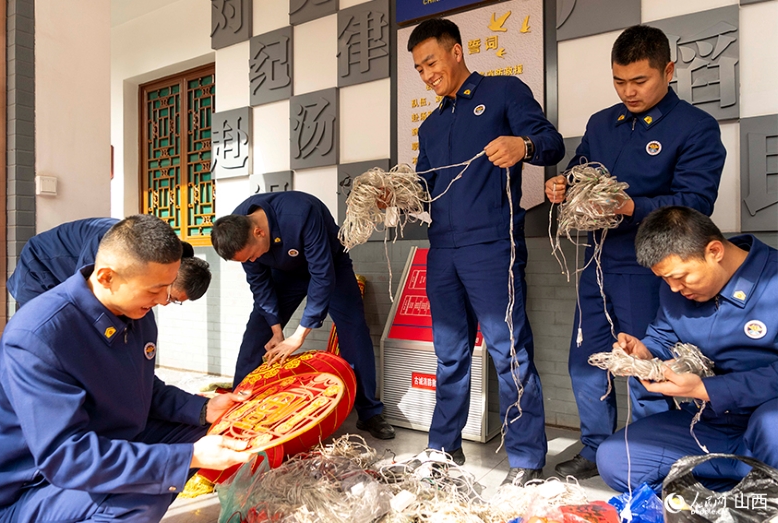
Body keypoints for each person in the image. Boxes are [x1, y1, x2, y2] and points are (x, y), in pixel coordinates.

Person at [0, 214, 252, 523]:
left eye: (167, 288)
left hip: (103, 442)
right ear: (107, 277)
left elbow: (142, 387)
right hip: (33, 487)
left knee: (213, 433)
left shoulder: (136, 312)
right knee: (140, 497)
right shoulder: (37, 337)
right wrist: (189, 456)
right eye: (154, 290)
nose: (163, 300)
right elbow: (68, 458)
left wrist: (206, 409)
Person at [545, 25, 726, 480]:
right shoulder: (601, 123)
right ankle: (594, 447)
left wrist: (631, 207)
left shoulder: (695, 128)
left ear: (668, 70)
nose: (629, 91)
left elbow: (696, 203)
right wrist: (562, 184)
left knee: (646, 363)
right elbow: (580, 169)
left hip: (653, 267)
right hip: (597, 260)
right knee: (588, 360)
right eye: (619, 81)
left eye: (640, 81)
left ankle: (648, 455)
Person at [408, 18, 565, 484]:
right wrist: (395, 195)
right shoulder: (431, 126)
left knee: (509, 351)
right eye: (418, 69)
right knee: (449, 354)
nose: (427, 74)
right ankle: (443, 447)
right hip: (443, 251)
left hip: (494, 245)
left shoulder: (503, 93)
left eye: (431, 62)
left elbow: (551, 142)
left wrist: (524, 144)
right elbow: (424, 189)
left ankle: (525, 459)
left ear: (456, 52)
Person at [595, 206, 778, 492]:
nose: (675, 288)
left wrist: (707, 390)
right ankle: (739, 494)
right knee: (616, 458)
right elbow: (664, 336)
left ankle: (755, 488)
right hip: (711, 426)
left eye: (680, 277)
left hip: (766, 427)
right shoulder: (674, 289)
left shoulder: (773, 281)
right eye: (665, 279)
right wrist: (645, 352)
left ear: (714, 251)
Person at [211, 191, 396, 440]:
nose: (252, 260)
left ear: (259, 232)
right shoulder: (238, 226)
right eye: (247, 259)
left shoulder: (301, 212)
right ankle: (239, 404)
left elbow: (322, 275)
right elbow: (259, 283)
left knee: (353, 329)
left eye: (252, 255)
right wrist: (277, 331)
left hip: (329, 265)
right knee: (257, 332)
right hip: (284, 273)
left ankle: (369, 412)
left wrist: (298, 336)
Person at [7, 217, 212, 307]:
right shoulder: (113, 245)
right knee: (47, 337)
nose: (162, 303)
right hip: (39, 268)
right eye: (170, 297)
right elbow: (87, 294)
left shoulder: (152, 262)